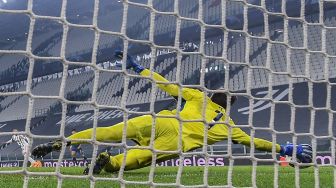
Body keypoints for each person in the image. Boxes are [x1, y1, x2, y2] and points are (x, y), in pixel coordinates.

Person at [32, 51, 312, 174]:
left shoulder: (197, 96)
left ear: (212, 96)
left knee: (107, 131)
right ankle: (110, 162)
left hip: (161, 120)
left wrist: (139, 68)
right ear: (227, 107)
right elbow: (256, 143)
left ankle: (60, 143)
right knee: (138, 160)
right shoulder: (229, 126)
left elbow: (166, 84)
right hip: (175, 141)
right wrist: (284, 148)